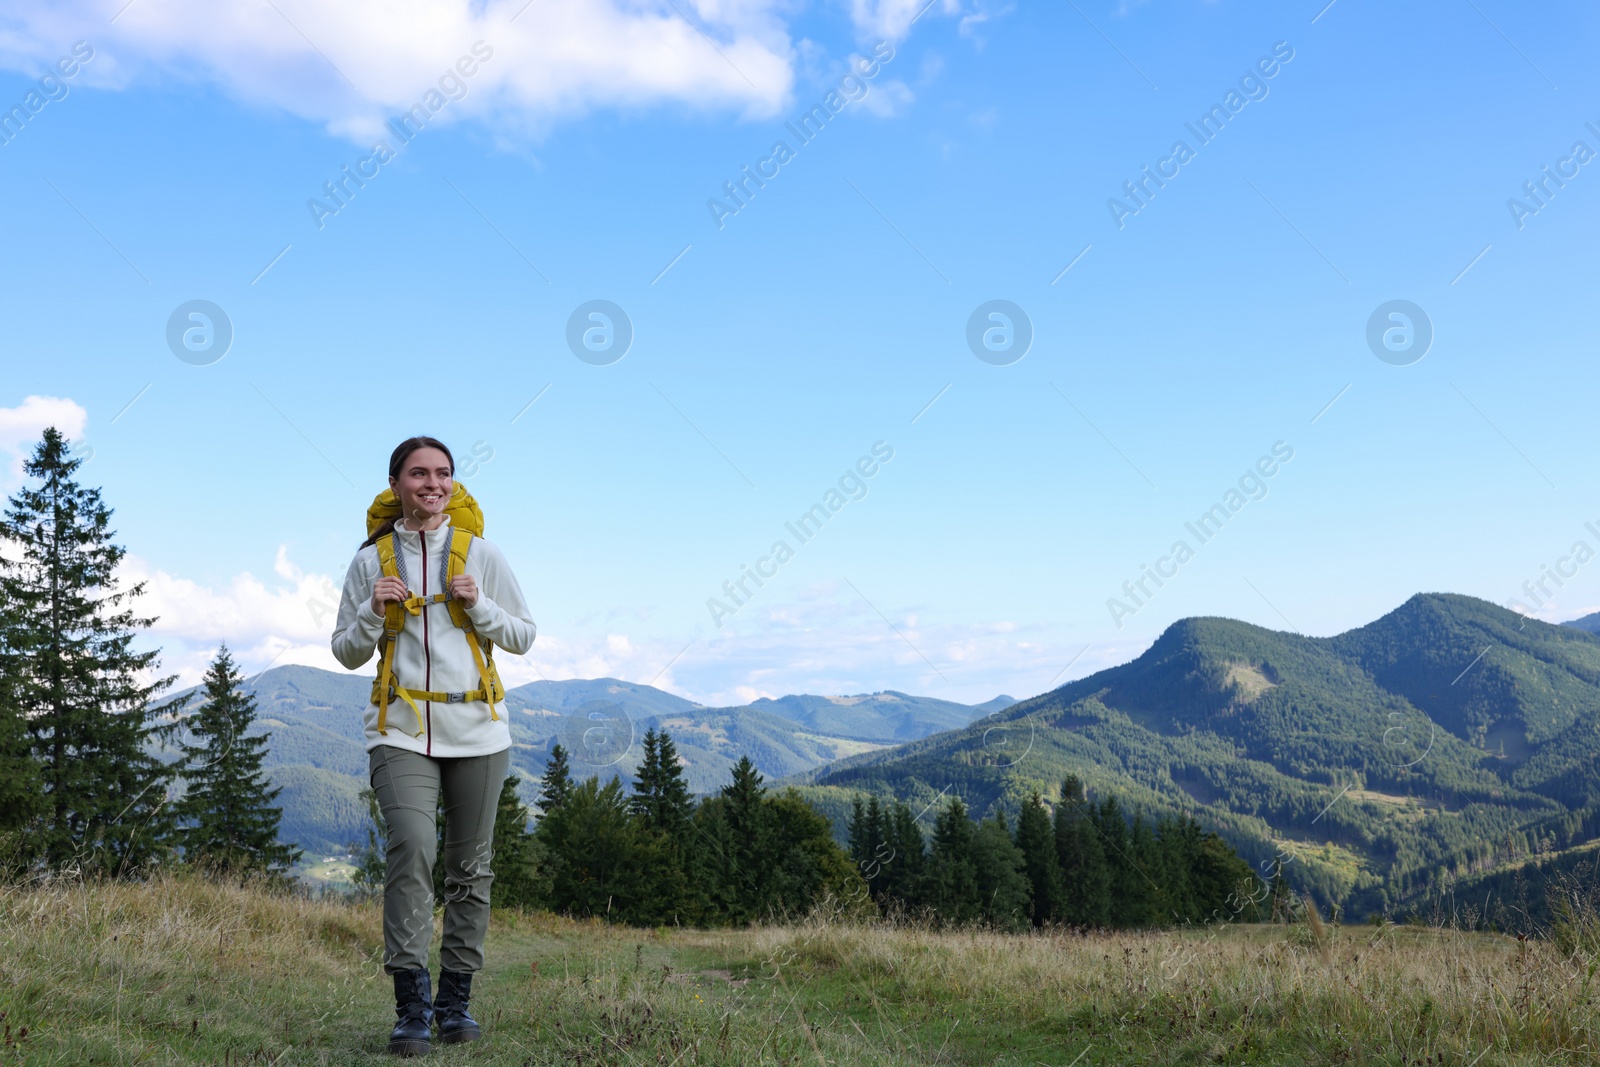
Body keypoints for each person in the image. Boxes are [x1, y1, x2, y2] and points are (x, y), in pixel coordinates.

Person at [332, 435, 536, 1056]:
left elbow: (524, 636)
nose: (432, 484)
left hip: (478, 731)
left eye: (443, 474)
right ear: (395, 487)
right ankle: (411, 1007)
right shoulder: (371, 561)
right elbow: (345, 651)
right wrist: (371, 612)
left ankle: (455, 1005)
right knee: (412, 851)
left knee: (469, 869)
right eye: (419, 474)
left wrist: (480, 609)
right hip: (397, 731)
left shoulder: (482, 555)